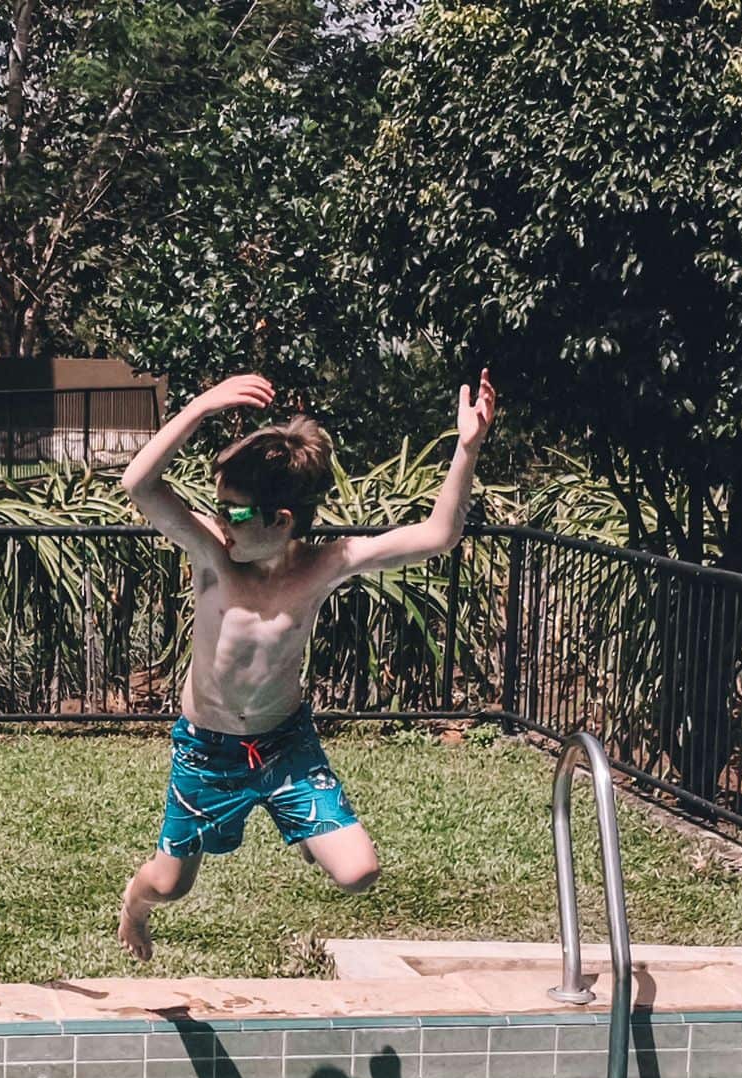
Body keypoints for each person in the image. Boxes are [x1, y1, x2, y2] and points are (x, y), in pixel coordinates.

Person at [116, 370, 496, 960]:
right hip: (207, 750)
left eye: (236, 513)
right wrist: (204, 407)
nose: (220, 522)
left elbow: (438, 536)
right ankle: (132, 911)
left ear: (283, 520)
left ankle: (297, 822)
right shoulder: (213, 554)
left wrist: (466, 449)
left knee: (358, 872)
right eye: (219, 508)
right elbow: (139, 484)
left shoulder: (324, 566)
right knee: (170, 885)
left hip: (285, 744)